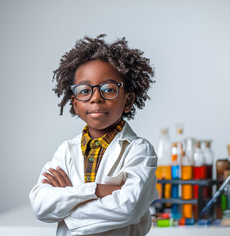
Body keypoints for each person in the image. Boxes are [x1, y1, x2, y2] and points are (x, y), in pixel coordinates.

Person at [29, 34, 157, 236]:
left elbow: (130, 208)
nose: (96, 98)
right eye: (85, 90)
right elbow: (40, 205)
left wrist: (68, 205)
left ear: (128, 101)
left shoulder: (139, 150)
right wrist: (96, 190)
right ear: (75, 104)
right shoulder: (66, 151)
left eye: (108, 89)